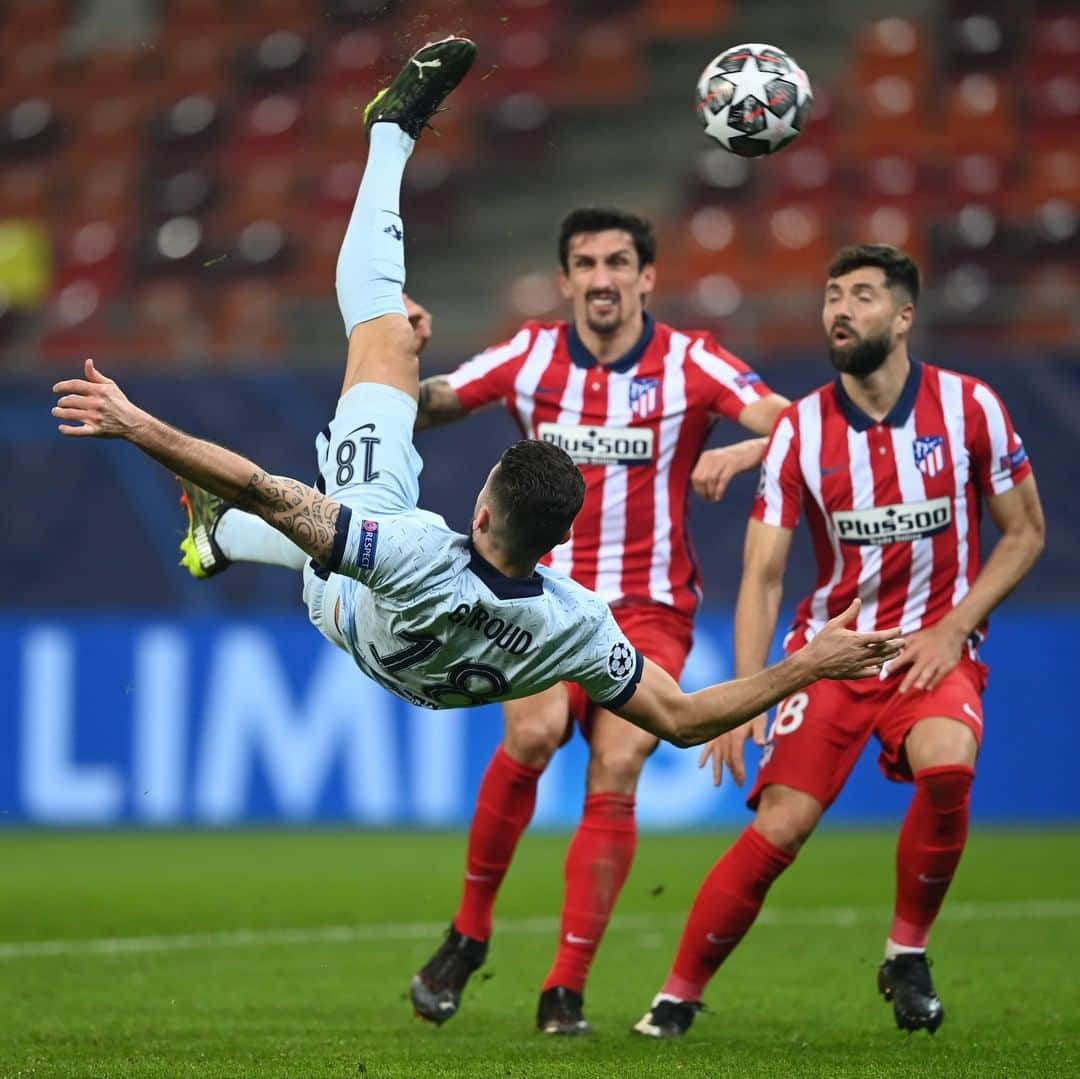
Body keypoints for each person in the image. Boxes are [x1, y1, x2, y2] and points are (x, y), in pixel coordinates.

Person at [52, 31, 898, 878]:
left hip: (369, 591)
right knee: (310, 526)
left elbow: (271, 489)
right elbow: (682, 718)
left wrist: (139, 424)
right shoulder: (572, 620)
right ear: (558, 547)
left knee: (378, 334)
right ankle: (216, 538)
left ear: (481, 509)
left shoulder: (414, 547)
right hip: (398, 660)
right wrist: (811, 663)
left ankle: (389, 132)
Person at [632, 244, 1045, 1040]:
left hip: (934, 643)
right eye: (831, 295)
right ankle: (677, 995)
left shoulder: (971, 409)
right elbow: (761, 575)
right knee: (780, 826)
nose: (840, 310)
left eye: (861, 294)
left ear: (903, 315)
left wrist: (955, 627)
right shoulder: (799, 433)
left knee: (949, 765)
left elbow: (1026, 532)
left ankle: (907, 952)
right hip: (833, 653)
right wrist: (752, 689)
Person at [406, 206, 787, 1035]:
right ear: (568, 277)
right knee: (535, 735)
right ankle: (469, 932)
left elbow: (801, 426)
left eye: (620, 262)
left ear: (648, 276)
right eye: (586, 263)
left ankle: (564, 989)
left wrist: (747, 449)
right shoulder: (531, 354)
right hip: (541, 599)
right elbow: (431, 404)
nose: (604, 278)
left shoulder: (694, 362)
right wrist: (398, 352)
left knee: (618, 763)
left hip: (647, 610)